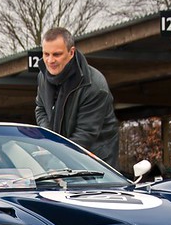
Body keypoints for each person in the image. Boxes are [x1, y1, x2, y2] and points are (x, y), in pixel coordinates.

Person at [35, 27, 119, 168]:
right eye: (46, 54)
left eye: (56, 54)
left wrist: (55, 159)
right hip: (63, 154)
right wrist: (48, 139)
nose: (50, 60)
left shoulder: (94, 86)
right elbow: (41, 108)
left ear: (71, 52)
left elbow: (85, 134)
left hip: (96, 162)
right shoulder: (42, 76)